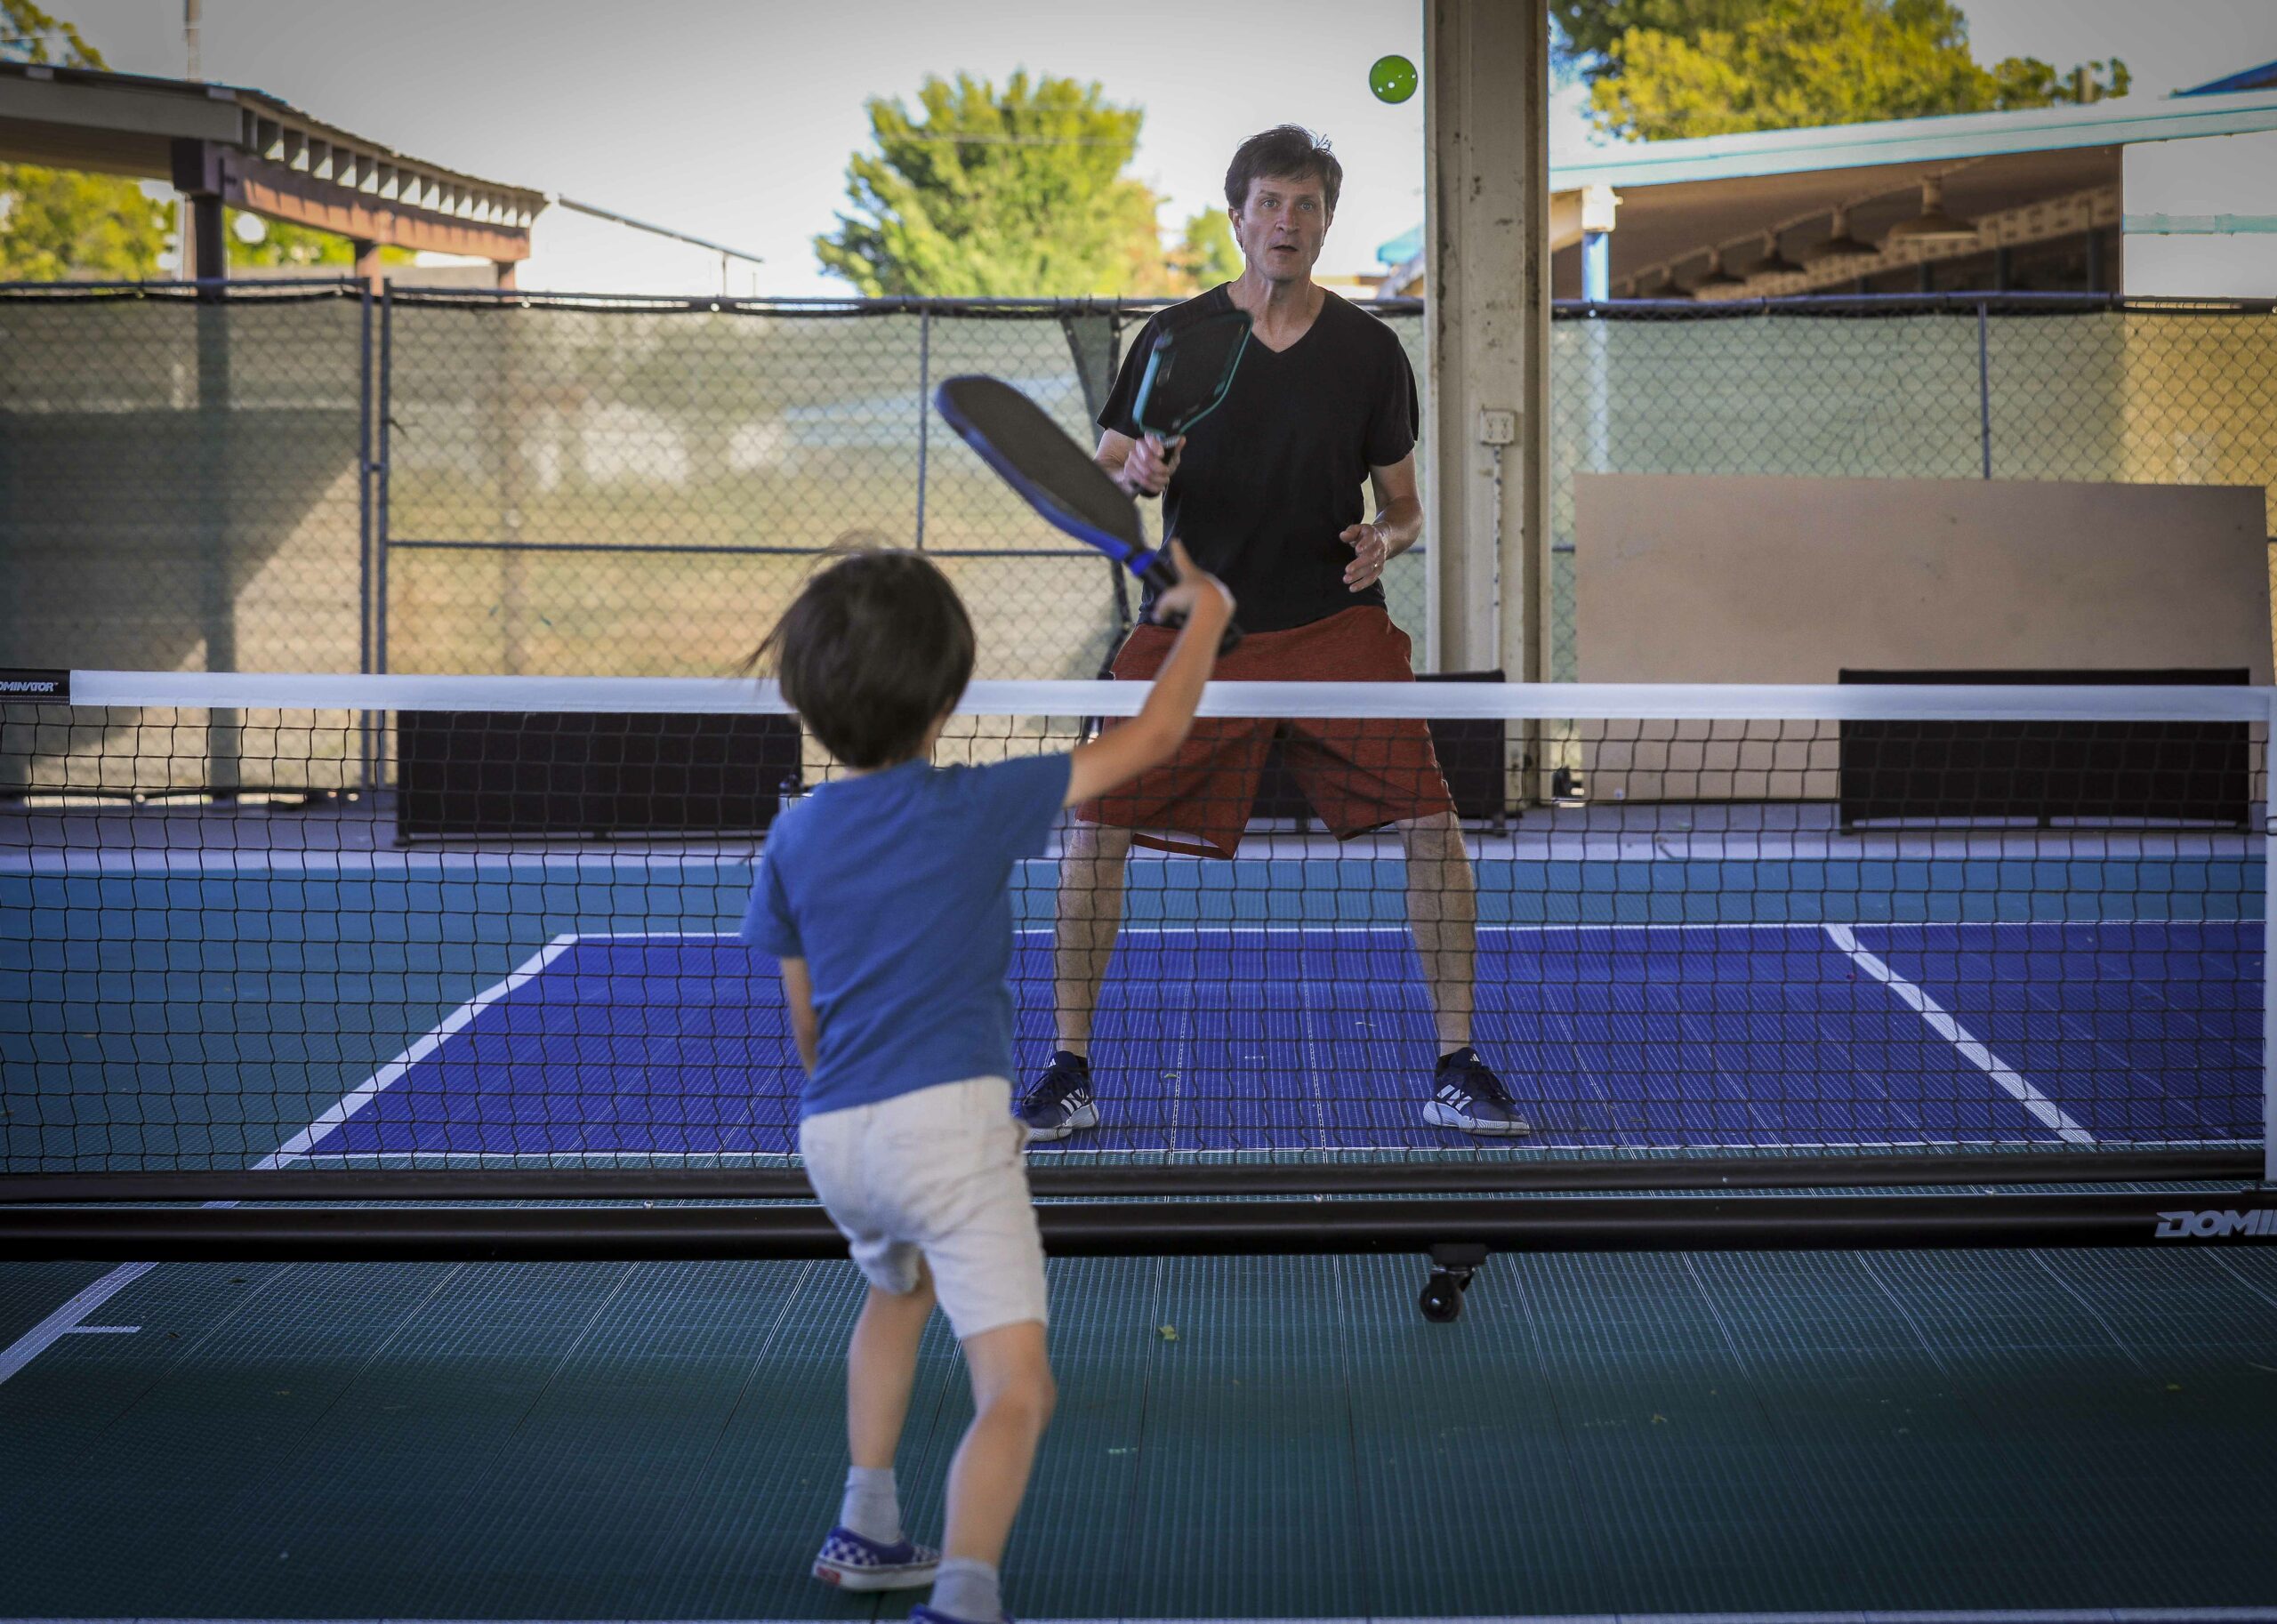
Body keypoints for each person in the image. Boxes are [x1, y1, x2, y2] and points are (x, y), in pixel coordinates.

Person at [741, 543, 1234, 1624]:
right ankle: (964, 1595)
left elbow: (808, 1020)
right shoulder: (977, 803)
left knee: (895, 1287)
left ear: (805, 697)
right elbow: (1155, 735)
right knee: (1016, 1387)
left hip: (835, 1139)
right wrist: (1205, 614)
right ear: (950, 693)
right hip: (949, 1132)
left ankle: (865, 1523)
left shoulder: (793, 831)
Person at [1018, 125, 1530, 1144]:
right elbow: (1105, 467)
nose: (1285, 222)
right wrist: (1135, 474)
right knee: (1093, 822)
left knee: (1435, 824)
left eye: (1305, 205)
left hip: (1332, 623)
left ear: (1326, 220)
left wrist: (1383, 539)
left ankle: (1457, 1062)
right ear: (1237, 216)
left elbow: (1405, 507)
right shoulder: (1175, 337)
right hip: (1195, 625)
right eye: (1268, 203)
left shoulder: (1370, 352)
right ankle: (1067, 1067)